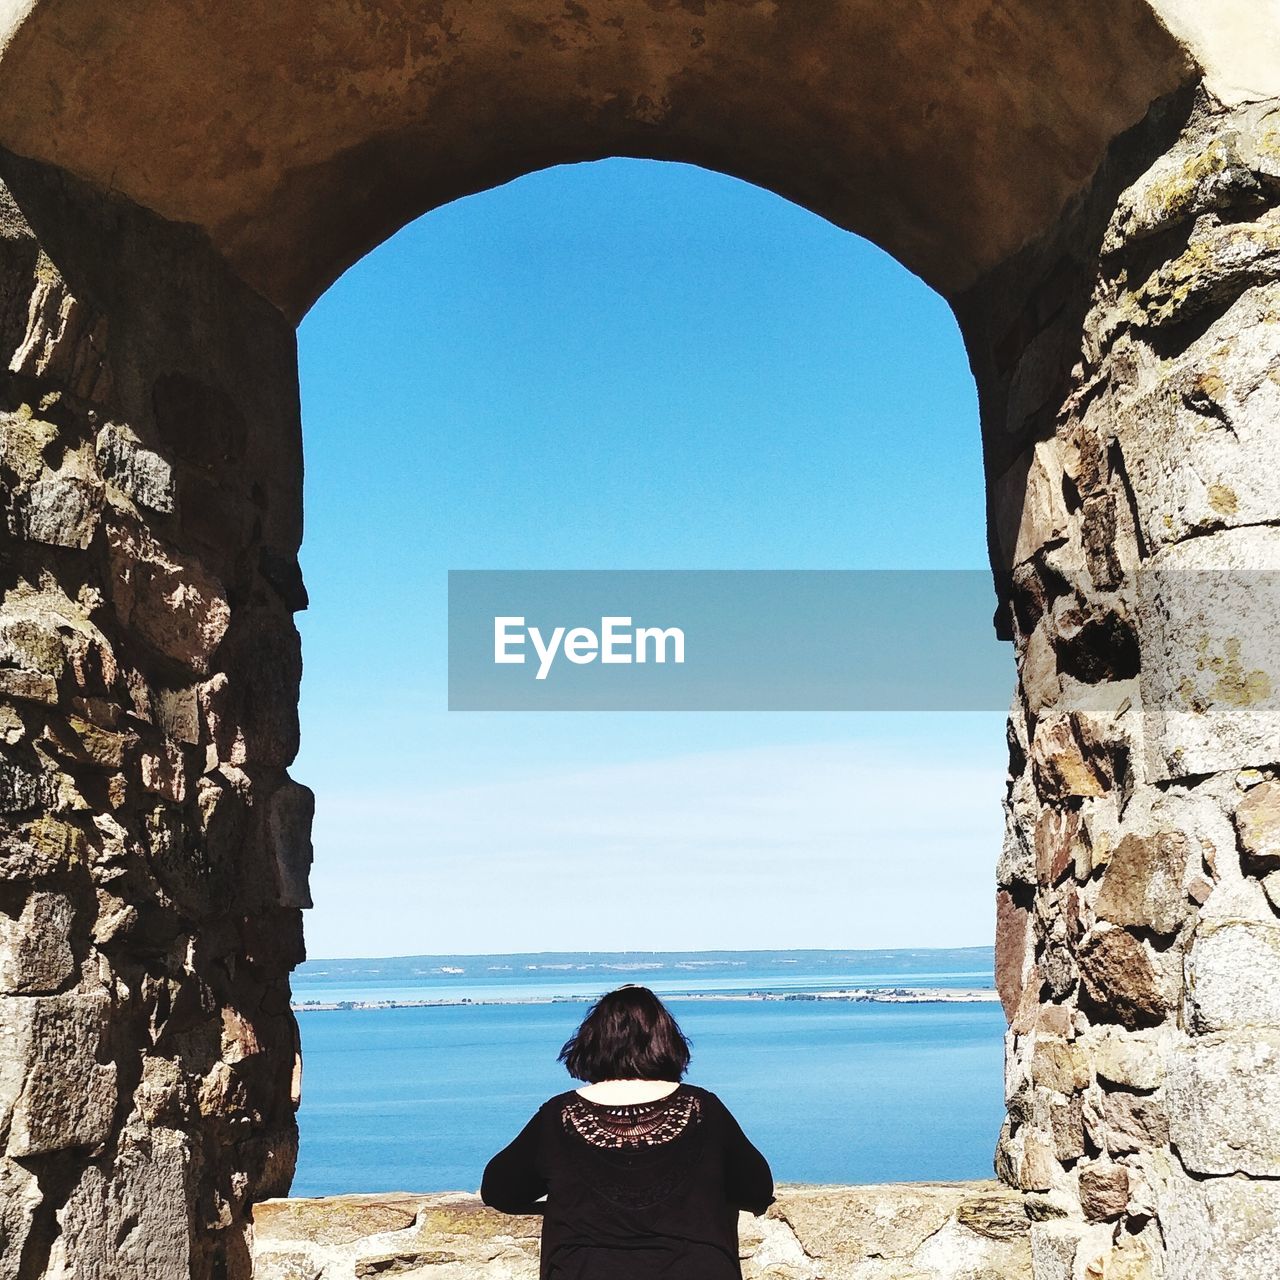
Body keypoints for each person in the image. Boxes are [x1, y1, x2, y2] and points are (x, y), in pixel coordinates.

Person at [481, 984, 774, 1280]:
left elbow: (499, 1190)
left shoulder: (559, 1116)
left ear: (592, 1043)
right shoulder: (703, 1109)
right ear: (666, 1041)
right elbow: (757, 1189)